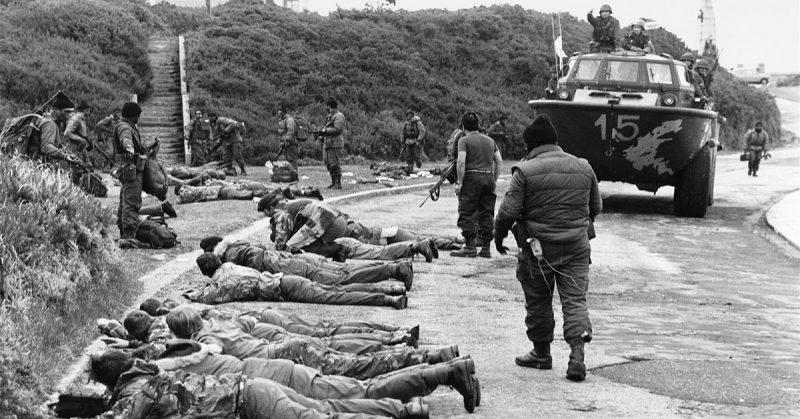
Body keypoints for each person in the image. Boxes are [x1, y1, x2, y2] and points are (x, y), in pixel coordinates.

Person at [494, 115, 602, 382]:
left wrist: (498, 237)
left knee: (539, 302)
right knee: (575, 301)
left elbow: (508, 212)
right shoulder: (583, 166)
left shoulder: (525, 171)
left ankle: (542, 354)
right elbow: (596, 208)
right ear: (555, 141)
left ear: (531, 145)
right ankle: (577, 356)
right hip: (577, 248)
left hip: (538, 250)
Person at [99, 339, 478, 413]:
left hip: (275, 377)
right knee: (354, 387)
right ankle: (441, 369)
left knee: (358, 387)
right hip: (274, 373)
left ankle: (441, 371)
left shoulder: (158, 372)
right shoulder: (173, 353)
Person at [89, 352, 431, 418]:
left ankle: (407, 408)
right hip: (254, 387)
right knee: (334, 406)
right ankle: (405, 409)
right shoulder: (150, 372)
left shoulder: (136, 393)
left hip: (252, 403)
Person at [167, 306, 461, 379]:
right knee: (351, 357)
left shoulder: (204, 339)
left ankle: (431, 359)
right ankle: (431, 355)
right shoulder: (216, 322)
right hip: (287, 347)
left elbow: (210, 351)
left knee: (358, 369)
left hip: (286, 356)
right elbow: (247, 320)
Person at [262, 195, 436, 262]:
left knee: (379, 248)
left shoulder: (283, 215)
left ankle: (418, 245)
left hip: (345, 238)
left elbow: (282, 246)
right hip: (341, 230)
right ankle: (420, 244)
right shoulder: (298, 214)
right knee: (381, 243)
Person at [199, 237, 414, 290]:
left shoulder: (232, 256)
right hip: (289, 261)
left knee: (340, 279)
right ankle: (398, 266)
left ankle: (395, 269)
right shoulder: (236, 246)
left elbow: (255, 262)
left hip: (286, 267)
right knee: (342, 271)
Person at [187, 260, 410, 309]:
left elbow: (210, 298)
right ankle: (390, 289)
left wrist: (192, 294)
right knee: (338, 289)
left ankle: (388, 298)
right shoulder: (228, 266)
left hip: (286, 287)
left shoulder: (221, 281)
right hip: (286, 280)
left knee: (336, 295)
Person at [450, 112, 502, 259]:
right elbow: (499, 161)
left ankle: (470, 247)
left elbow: (461, 162)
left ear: (462, 126)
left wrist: (459, 182)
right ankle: (486, 249)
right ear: (478, 125)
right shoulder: (490, 141)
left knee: (466, 212)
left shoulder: (464, 141)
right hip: (488, 177)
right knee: (486, 213)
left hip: (472, 178)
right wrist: (495, 179)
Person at [113, 102, 147, 246]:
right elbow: (125, 138)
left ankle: (123, 231)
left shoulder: (128, 125)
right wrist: (129, 147)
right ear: (133, 115)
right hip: (130, 167)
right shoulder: (124, 126)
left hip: (130, 167)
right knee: (132, 200)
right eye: (138, 115)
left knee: (126, 198)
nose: (139, 118)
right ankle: (128, 235)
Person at [174, 179, 322, 204]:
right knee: (256, 191)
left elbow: (184, 196)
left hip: (223, 190)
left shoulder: (190, 190)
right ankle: (305, 192)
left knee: (250, 194)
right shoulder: (190, 190)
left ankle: (279, 191)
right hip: (225, 189)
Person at [316, 97, 345, 189]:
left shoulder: (339, 116)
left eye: (326, 106)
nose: (325, 107)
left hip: (335, 144)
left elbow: (338, 129)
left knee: (334, 163)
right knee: (327, 162)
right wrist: (320, 134)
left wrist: (324, 131)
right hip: (328, 143)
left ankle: (338, 183)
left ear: (329, 106)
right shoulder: (330, 116)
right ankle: (333, 182)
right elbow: (327, 129)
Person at [209, 112, 247, 176]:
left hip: (235, 140)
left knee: (237, 156)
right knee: (227, 158)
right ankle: (231, 170)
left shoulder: (221, 120)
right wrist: (214, 147)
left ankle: (243, 170)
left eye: (210, 118)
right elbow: (220, 138)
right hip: (227, 142)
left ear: (214, 117)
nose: (209, 119)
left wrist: (225, 131)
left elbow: (233, 124)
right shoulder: (217, 126)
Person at [63, 101, 92, 171]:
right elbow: (67, 133)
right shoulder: (76, 118)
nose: (89, 111)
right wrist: (79, 139)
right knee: (75, 170)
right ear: (85, 110)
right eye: (88, 109)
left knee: (86, 168)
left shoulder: (82, 119)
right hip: (73, 147)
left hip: (80, 148)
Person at [277, 106, 300, 170]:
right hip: (286, 144)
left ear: (283, 113)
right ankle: (291, 176)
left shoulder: (289, 120)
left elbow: (290, 132)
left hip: (291, 144)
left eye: (279, 112)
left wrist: (287, 141)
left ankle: (295, 176)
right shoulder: (282, 120)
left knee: (292, 160)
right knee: (288, 161)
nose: (278, 114)